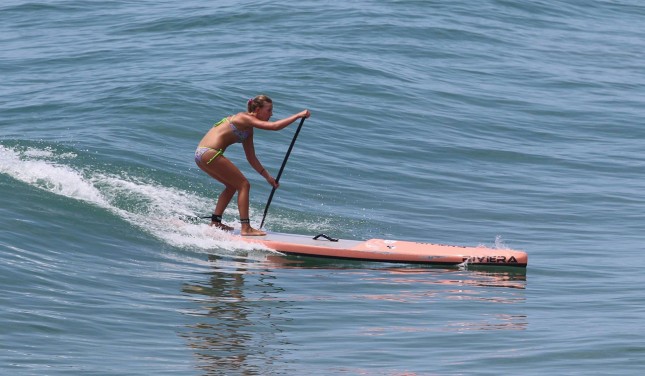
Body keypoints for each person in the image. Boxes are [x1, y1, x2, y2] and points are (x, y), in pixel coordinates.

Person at [195, 95, 310, 236]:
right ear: (256, 109)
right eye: (269, 110)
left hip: (202, 155)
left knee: (232, 186)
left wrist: (268, 177)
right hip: (209, 153)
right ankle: (246, 228)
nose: (271, 114)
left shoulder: (248, 130)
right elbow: (274, 127)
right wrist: (298, 115)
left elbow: (251, 157)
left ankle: (215, 222)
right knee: (244, 184)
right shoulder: (243, 117)